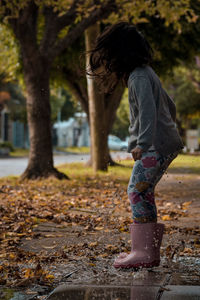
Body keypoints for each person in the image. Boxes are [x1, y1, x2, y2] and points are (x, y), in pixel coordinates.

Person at [87, 22, 184, 269]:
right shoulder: (145, 72)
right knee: (143, 190)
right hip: (163, 143)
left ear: (119, 54)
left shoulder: (138, 76)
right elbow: (169, 104)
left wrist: (143, 142)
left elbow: (149, 111)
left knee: (136, 190)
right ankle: (146, 251)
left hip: (154, 146)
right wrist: (167, 130)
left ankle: (144, 252)